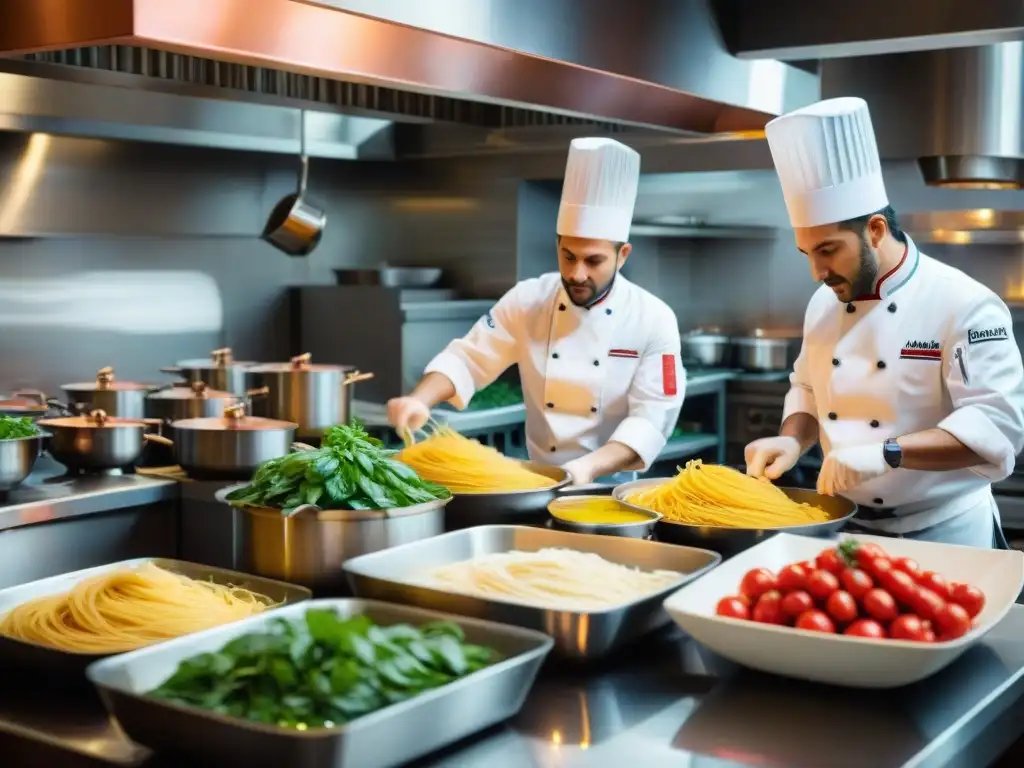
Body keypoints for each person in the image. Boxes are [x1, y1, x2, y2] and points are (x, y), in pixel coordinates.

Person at [744, 97, 1024, 548]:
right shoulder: (823, 302)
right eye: (807, 254)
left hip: (946, 533)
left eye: (828, 250)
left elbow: (997, 428)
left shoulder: (964, 303)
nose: (817, 272)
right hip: (847, 529)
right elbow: (809, 388)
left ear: (875, 230)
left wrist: (889, 453)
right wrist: (792, 441)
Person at [387, 137, 685, 485]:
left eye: (594, 261)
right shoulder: (527, 300)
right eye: (568, 256)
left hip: (609, 488)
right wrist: (420, 400)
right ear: (557, 244)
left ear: (623, 256)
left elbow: (651, 421)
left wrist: (586, 469)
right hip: (539, 480)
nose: (576, 273)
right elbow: (468, 358)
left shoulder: (653, 318)